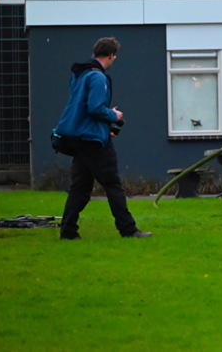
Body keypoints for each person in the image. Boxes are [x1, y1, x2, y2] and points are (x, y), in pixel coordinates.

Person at [54, 37, 151, 239]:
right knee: (113, 184)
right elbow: (95, 108)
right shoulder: (98, 78)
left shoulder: (80, 75)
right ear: (111, 55)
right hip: (93, 141)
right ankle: (128, 229)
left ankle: (68, 231)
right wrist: (113, 116)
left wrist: (105, 124)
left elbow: (82, 108)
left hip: (79, 137)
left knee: (80, 188)